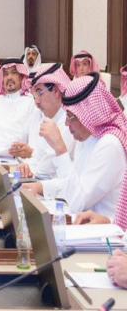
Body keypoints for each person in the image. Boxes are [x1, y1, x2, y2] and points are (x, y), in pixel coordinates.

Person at [24, 73, 127, 218]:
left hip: (104, 229)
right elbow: (73, 183)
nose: (67, 124)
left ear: (89, 114)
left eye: (71, 117)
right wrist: (41, 187)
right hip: (82, 223)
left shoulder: (109, 145)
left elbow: (78, 202)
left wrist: (60, 150)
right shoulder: (87, 138)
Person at [14, 63, 74, 179]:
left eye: (39, 93)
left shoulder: (70, 120)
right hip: (37, 180)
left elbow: (47, 168)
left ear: (56, 91)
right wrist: (24, 167)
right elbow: (35, 157)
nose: (36, 102)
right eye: (34, 95)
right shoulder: (38, 114)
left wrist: (28, 167)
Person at [0, 60, 35, 156]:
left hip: (17, 155)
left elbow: (30, 138)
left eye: (14, 73)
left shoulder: (30, 101)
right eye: (5, 74)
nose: (9, 77)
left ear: (22, 76)